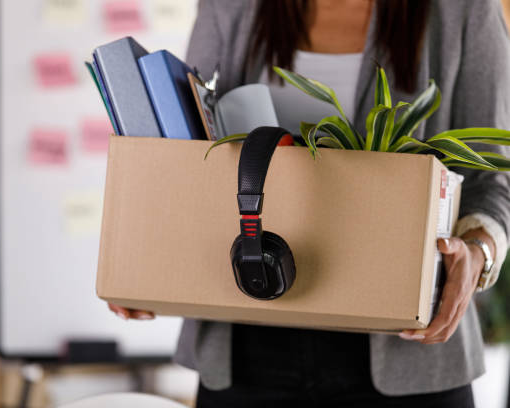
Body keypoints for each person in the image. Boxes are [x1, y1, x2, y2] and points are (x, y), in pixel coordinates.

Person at [109, 0, 510, 406]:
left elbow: (492, 180)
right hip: (247, 336)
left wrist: (477, 255)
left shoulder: (465, 11)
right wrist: (141, 260)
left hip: (406, 355)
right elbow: (193, 155)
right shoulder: (231, 7)